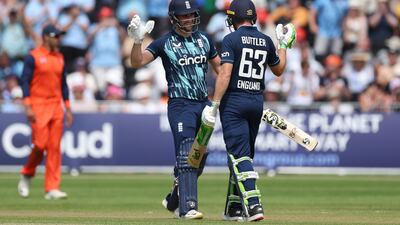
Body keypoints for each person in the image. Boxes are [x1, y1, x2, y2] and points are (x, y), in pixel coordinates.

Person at [203, 0, 296, 221]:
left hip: (234, 102)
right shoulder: (265, 40)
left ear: (233, 19)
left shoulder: (230, 39)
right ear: (253, 17)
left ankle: (254, 206)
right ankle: (234, 208)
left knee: (239, 155)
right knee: (242, 155)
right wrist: (283, 45)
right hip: (256, 101)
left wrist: (214, 104)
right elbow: (279, 70)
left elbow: (225, 74)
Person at [127, 0, 220, 219]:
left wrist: (219, 100)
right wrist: (137, 41)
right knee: (187, 152)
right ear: (174, 18)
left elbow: (221, 70)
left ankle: (175, 198)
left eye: (191, 15)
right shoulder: (164, 42)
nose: (189, 19)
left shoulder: (204, 39)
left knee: (201, 154)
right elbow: (136, 62)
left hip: (203, 103)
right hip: (180, 105)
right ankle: (187, 207)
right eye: (184, 15)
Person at [17, 24, 73, 200]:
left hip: (56, 106)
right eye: (55, 36)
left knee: (54, 148)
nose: (58, 39)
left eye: (59, 36)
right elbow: (24, 81)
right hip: (38, 105)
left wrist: (68, 107)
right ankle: (27, 172)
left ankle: (52, 188)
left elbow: (63, 84)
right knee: (39, 145)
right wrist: (27, 105)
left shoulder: (60, 57)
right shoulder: (33, 57)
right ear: (45, 37)